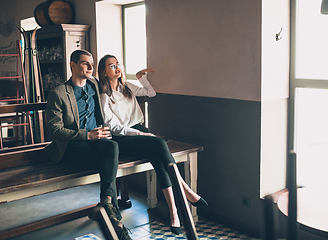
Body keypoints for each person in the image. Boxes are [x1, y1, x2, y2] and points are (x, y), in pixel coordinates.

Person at [97, 54, 208, 235]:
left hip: (140, 132)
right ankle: (185, 190)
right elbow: (114, 128)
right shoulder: (104, 96)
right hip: (123, 138)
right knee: (158, 143)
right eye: (111, 66)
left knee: (158, 156)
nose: (117, 68)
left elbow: (150, 93)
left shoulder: (127, 87)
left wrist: (141, 78)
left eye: (118, 64)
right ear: (103, 72)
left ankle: (174, 214)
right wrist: (139, 133)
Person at [45, 50, 131, 240]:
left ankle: (106, 203)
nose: (91, 67)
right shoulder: (58, 93)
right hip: (71, 146)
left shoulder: (93, 85)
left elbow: (115, 92)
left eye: (92, 63)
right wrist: (87, 135)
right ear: (72, 65)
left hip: (97, 141)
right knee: (107, 160)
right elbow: (55, 131)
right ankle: (114, 217)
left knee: (113, 148)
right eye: (85, 63)